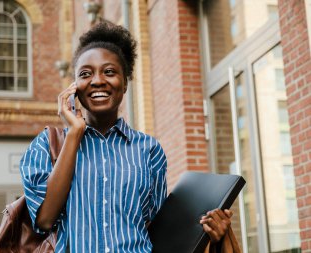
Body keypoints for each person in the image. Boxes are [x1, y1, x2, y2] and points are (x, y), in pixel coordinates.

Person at [20, 21, 233, 253]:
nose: (98, 80)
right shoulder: (47, 144)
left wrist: (210, 229)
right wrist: (74, 133)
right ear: (74, 88)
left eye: (109, 72)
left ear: (124, 85)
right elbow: (44, 220)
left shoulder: (149, 149)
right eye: (85, 74)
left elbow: (158, 228)